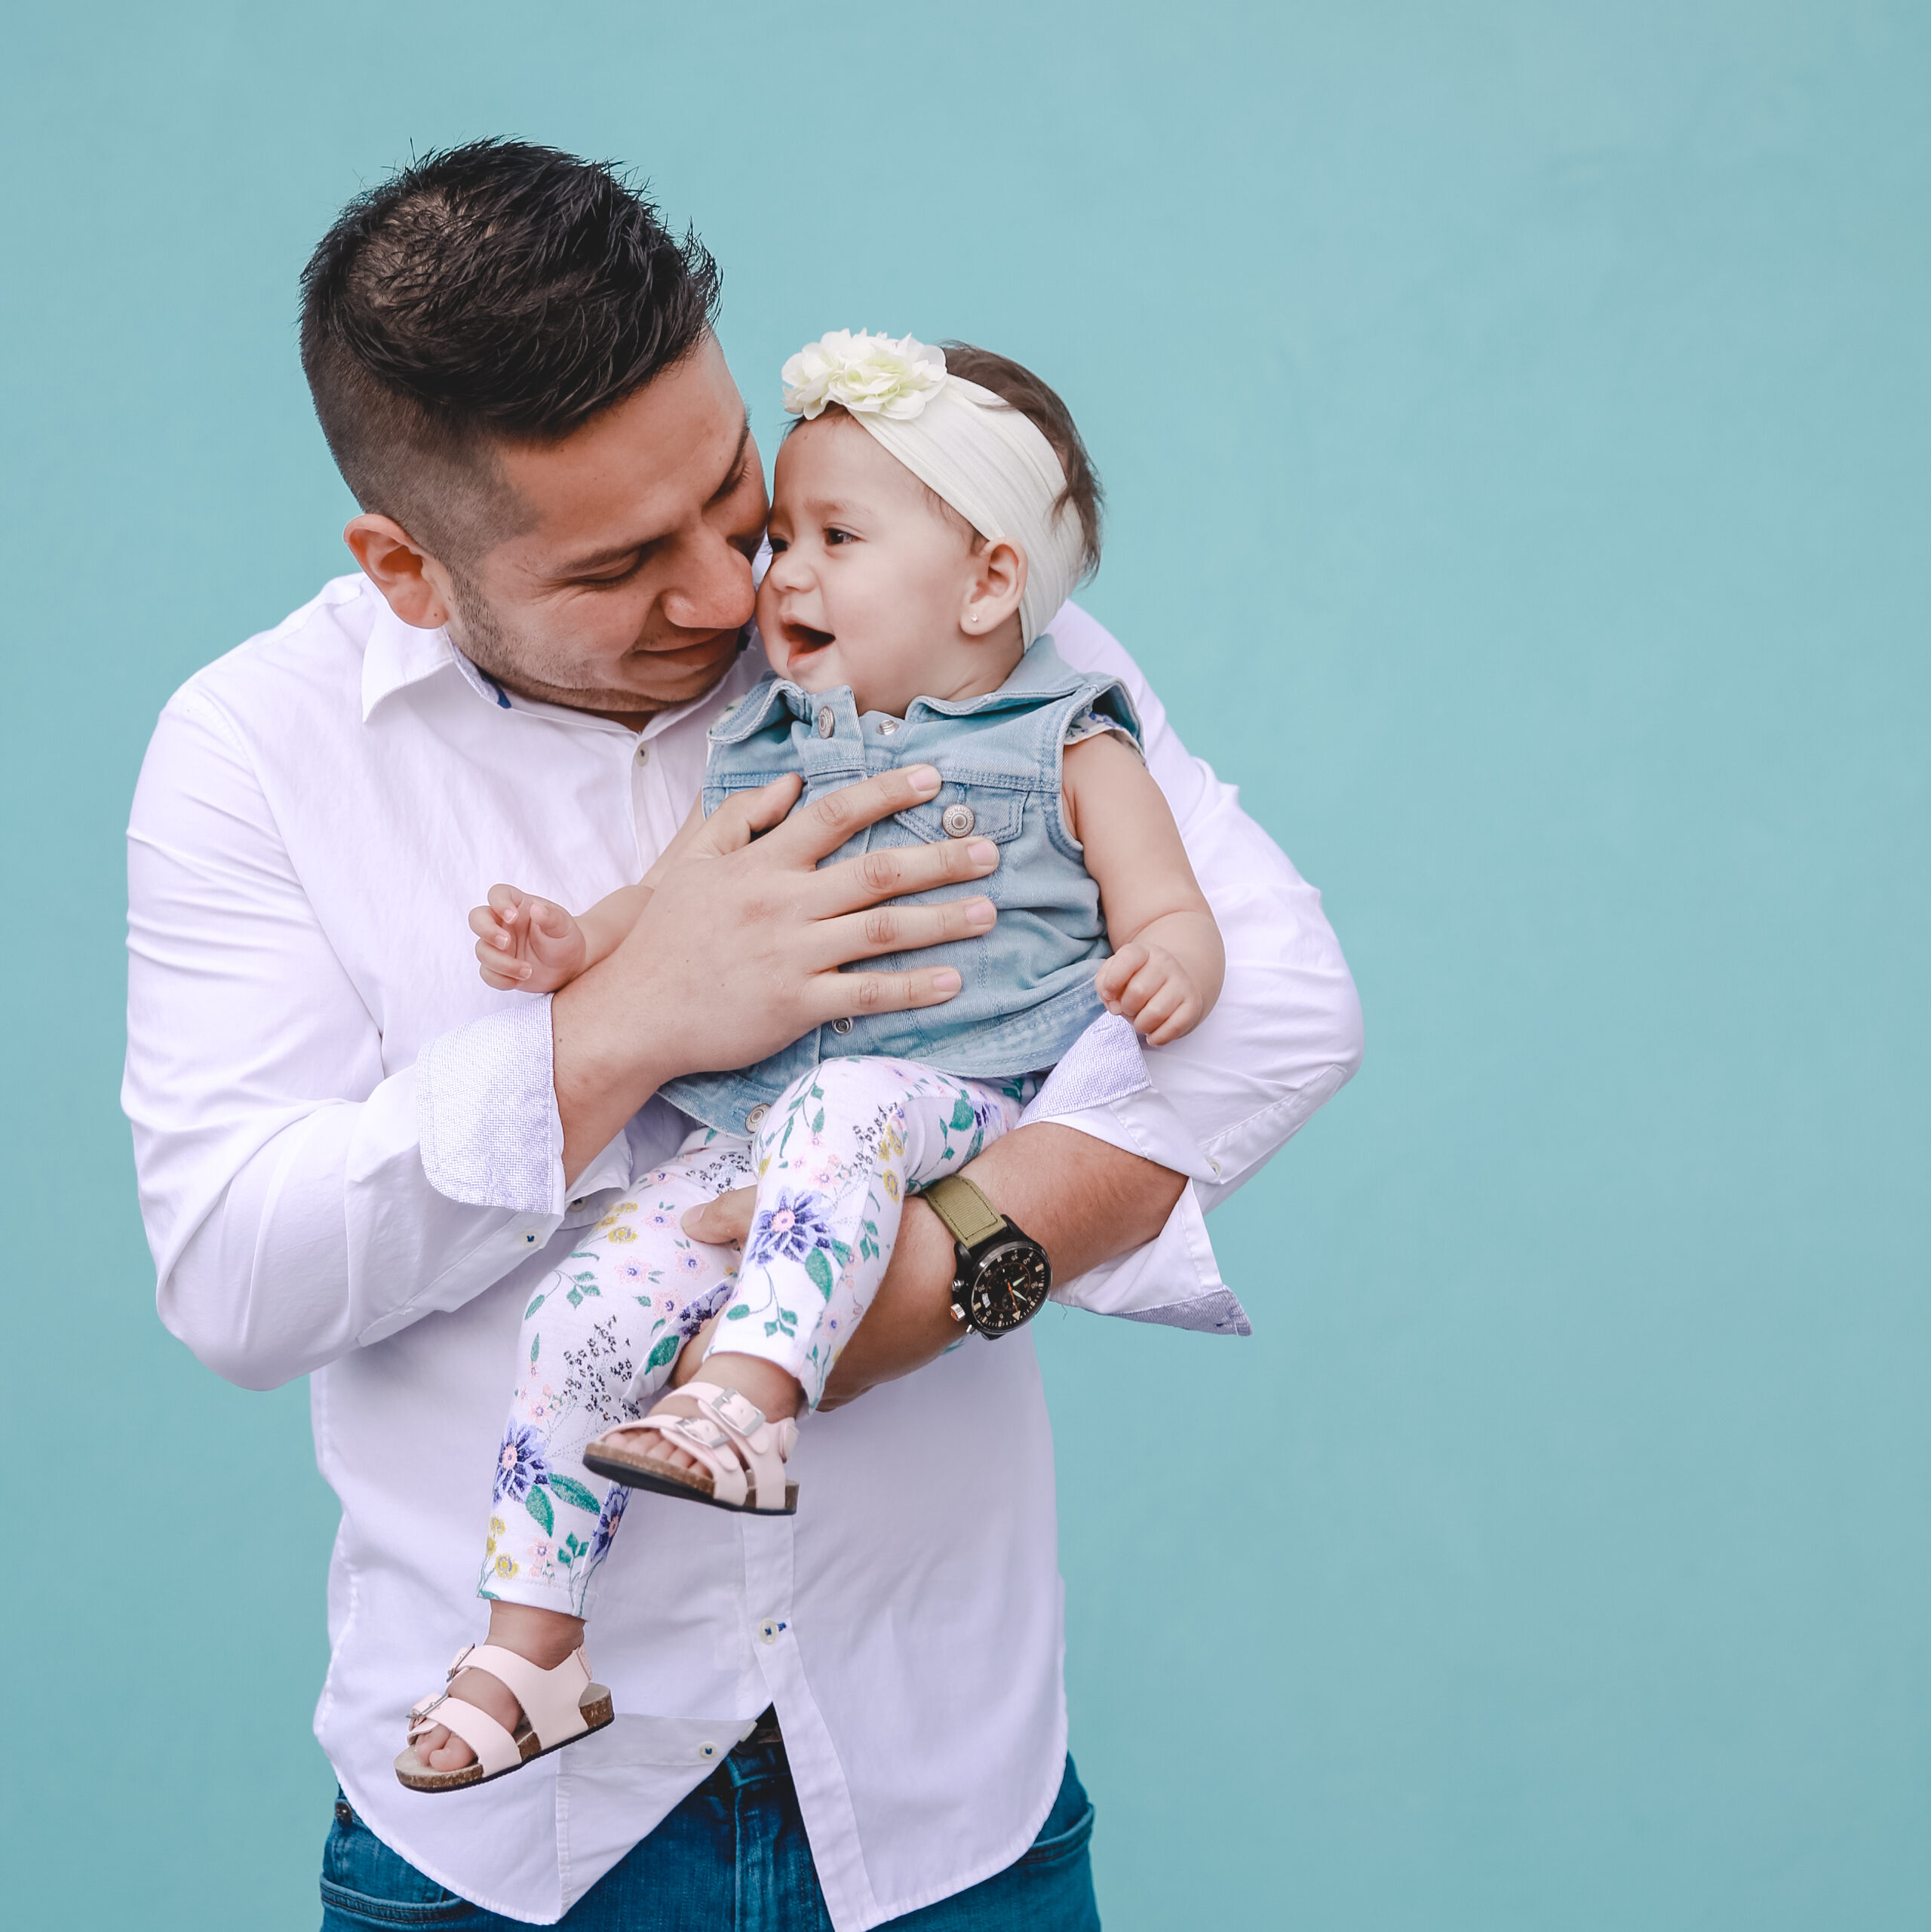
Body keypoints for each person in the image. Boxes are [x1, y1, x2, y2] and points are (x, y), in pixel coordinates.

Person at [124, 141, 1363, 1927]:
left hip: (945, 1802)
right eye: (625, 564)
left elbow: (1274, 998)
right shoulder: (254, 755)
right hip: (509, 1862)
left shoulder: (923, 619)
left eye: (735, 498)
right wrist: (624, 1020)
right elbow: (239, 1276)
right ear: (405, 566)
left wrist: (936, 1285)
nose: (725, 596)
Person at [394, 329, 1230, 1796]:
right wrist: (564, 946)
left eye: (831, 537)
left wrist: (1168, 955)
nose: (772, 575)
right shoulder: (769, 736)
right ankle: (532, 1643)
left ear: (986, 583)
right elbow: (670, 900)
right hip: (773, 1139)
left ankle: (752, 1402)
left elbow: (1175, 905)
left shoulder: (1065, 738)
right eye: (779, 531)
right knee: (593, 1290)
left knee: (844, 1110)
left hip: (949, 1104)